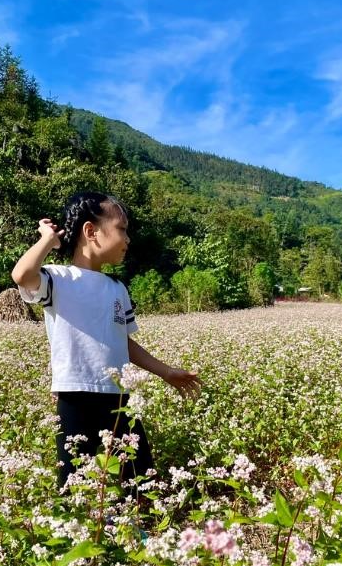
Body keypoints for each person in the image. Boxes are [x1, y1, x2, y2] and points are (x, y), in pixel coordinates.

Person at [11, 191, 201, 491]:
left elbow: (122, 342)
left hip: (118, 396)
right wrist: (48, 238)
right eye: (122, 229)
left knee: (140, 478)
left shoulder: (117, 288)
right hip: (74, 395)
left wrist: (166, 372)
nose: (128, 239)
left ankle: (134, 531)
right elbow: (22, 274)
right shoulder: (57, 279)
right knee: (74, 484)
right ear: (91, 231)